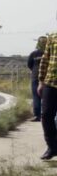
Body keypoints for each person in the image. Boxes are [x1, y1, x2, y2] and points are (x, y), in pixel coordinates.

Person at [38, 32, 57, 160]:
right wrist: (41, 81)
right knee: (46, 115)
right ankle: (52, 147)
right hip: (51, 82)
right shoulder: (53, 37)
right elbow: (45, 60)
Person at [28, 36, 47, 122]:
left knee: (36, 96)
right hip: (47, 77)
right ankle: (46, 115)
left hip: (36, 77)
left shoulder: (33, 54)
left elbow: (29, 65)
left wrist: (35, 70)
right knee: (48, 97)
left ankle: (37, 116)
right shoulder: (49, 53)